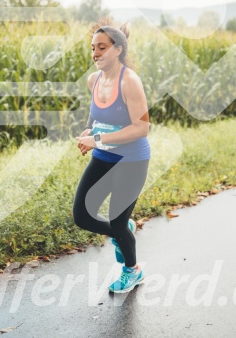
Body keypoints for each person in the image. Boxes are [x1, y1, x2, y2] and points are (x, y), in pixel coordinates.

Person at [74, 20, 151, 293]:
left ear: (117, 50)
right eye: (93, 48)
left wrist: (95, 140)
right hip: (104, 157)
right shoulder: (93, 80)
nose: (95, 53)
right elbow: (96, 112)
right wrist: (89, 128)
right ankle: (123, 230)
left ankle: (133, 270)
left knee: (117, 224)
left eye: (102, 47)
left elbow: (142, 128)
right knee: (82, 216)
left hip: (131, 161)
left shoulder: (130, 81)